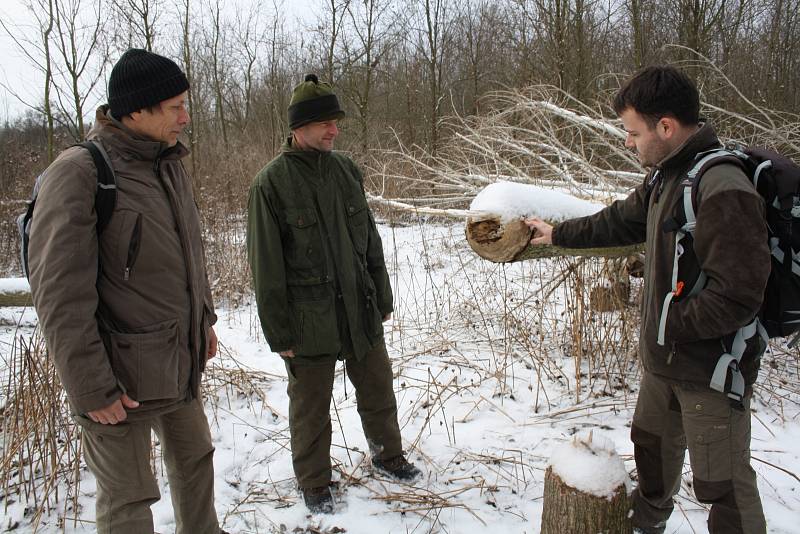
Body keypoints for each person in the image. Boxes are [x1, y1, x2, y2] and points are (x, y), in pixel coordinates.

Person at [526, 66, 768, 534]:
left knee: (725, 488)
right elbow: (618, 221)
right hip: (663, 368)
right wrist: (557, 234)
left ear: (666, 127)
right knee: (653, 460)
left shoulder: (721, 186)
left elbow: (740, 294)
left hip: (709, 374)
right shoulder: (666, 177)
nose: (627, 142)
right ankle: (645, 526)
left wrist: (671, 326)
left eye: (632, 132)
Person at [28, 49, 224, 534]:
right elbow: (59, 296)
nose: (187, 116)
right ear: (137, 110)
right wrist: (92, 386)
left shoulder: (168, 164)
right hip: (117, 379)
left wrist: (204, 320)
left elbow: (184, 252)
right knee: (128, 500)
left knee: (196, 463)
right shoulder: (79, 172)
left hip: (176, 359)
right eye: (175, 106)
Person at [246, 73, 421, 514]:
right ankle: (314, 481)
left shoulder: (346, 170)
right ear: (297, 127)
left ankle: (388, 454)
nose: (334, 129)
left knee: (378, 388)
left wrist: (381, 297)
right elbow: (266, 268)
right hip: (309, 319)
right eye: (325, 122)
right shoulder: (270, 184)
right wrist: (279, 332)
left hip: (359, 306)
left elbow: (371, 242)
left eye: (336, 121)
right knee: (310, 407)